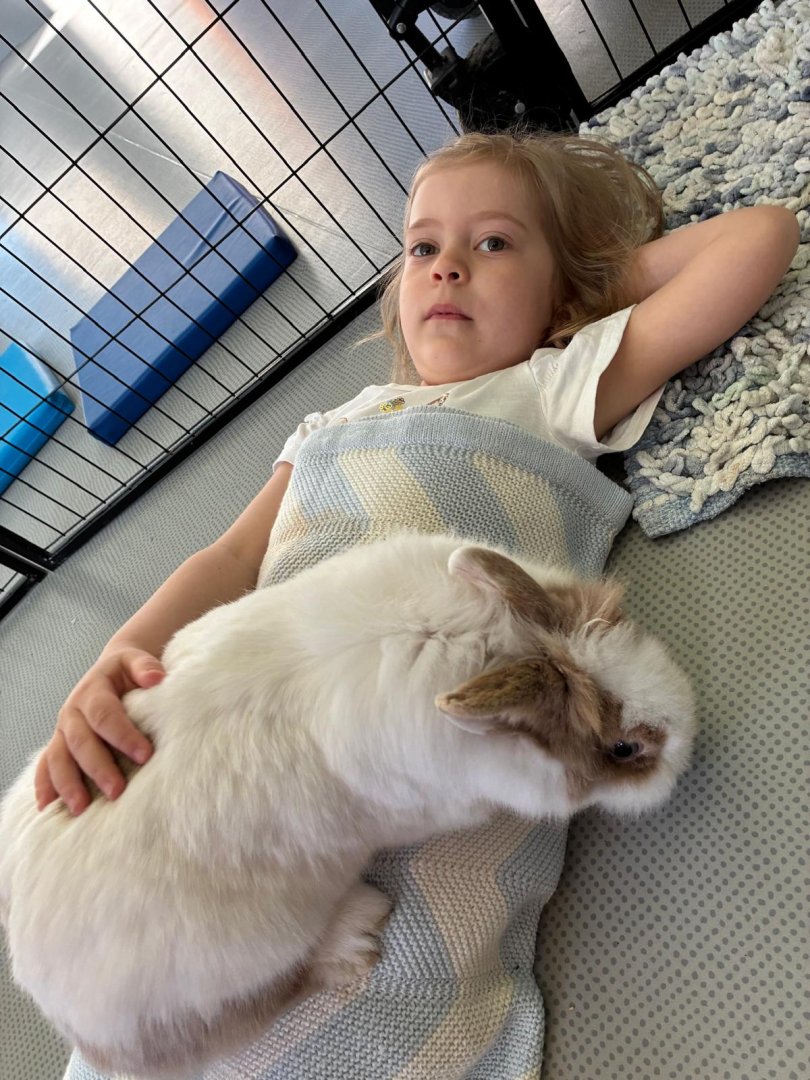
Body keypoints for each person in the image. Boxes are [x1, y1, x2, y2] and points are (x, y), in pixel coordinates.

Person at [35, 130, 799, 818]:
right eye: (422, 248)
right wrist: (119, 659)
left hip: (419, 712)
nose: (448, 268)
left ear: (559, 293)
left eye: (493, 243)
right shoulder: (332, 425)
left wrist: (590, 291)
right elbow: (234, 557)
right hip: (267, 683)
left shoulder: (553, 384)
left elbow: (761, 235)